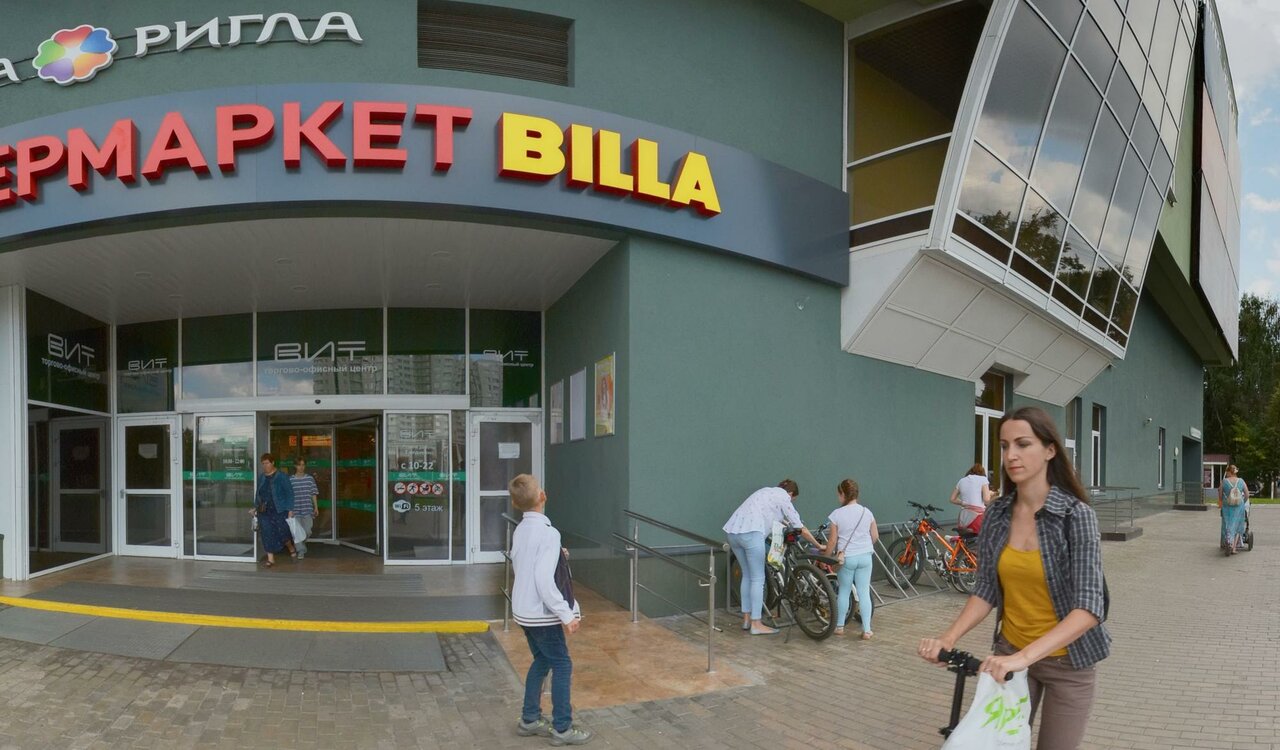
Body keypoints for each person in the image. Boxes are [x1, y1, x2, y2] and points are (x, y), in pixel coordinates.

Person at [918, 406, 1109, 750]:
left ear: (1049, 450)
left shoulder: (1076, 516)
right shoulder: (997, 513)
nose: (1011, 455)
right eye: (1005, 446)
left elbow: (1089, 607)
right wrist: (948, 638)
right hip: (1008, 656)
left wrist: (1024, 657)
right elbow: (986, 589)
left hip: (1068, 662)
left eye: (1023, 444)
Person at [509, 473, 591, 746]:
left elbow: (526, 564)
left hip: (523, 610)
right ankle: (562, 728)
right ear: (543, 496)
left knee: (542, 660)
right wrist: (566, 614)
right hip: (542, 614)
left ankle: (530, 719)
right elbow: (544, 580)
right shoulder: (548, 533)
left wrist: (558, 555)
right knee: (562, 664)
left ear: (516, 503)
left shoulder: (521, 530)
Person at [723, 479, 822, 635]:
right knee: (758, 578)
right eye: (793, 499)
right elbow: (799, 527)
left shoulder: (765, 492)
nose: (791, 502)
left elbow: (777, 517)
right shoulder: (784, 498)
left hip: (733, 532)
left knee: (747, 575)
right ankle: (756, 624)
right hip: (752, 533)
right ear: (791, 494)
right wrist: (818, 545)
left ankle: (746, 619)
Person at [820, 478, 878, 638]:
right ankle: (867, 630)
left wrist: (826, 558)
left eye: (839, 494)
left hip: (847, 558)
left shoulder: (836, 515)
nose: (838, 497)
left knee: (844, 591)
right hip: (865, 556)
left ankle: (839, 627)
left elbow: (832, 541)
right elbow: (875, 536)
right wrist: (863, 546)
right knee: (864, 592)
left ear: (843, 494)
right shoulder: (867, 512)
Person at [253, 453, 296, 567]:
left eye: (267, 463)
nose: (265, 466)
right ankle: (270, 559)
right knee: (266, 533)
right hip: (264, 511)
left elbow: (289, 493)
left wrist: (290, 509)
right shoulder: (262, 477)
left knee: (283, 532)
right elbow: (258, 493)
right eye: (263, 463)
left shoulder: (282, 476)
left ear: (273, 463)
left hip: (279, 509)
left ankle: (290, 547)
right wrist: (255, 507)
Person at [288, 457, 319, 559]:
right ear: (295, 466)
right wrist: (289, 510)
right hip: (295, 510)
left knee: (307, 531)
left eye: (303, 465)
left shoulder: (310, 479)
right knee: (297, 533)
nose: (301, 467)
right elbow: (288, 496)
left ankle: (301, 546)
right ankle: (300, 551)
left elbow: (313, 493)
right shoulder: (291, 480)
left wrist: (316, 507)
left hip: (307, 509)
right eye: (299, 465)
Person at [950, 463, 994, 533]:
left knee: (965, 538)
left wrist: (963, 503)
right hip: (977, 517)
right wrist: (991, 494)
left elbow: (952, 499)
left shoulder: (962, 480)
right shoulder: (983, 479)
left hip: (964, 517)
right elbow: (986, 500)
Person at [1219, 464, 1249, 555]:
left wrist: (1224, 500)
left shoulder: (1224, 481)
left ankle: (1228, 541)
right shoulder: (1241, 481)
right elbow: (1247, 494)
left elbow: (1220, 496)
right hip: (1238, 507)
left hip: (1227, 506)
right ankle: (1234, 547)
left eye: (1227, 472)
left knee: (1227, 524)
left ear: (1229, 472)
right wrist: (1242, 502)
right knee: (1237, 525)